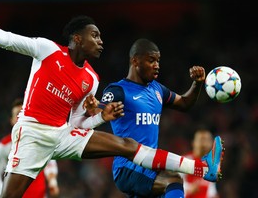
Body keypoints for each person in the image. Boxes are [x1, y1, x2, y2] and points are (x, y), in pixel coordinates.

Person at [0, 16, 223, 198]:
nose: (101, 41)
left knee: (127, 146)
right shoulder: (47, 50)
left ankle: (201, 168)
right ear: (77, 39)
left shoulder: (91, 79)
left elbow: (79, 124)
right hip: (33, 133)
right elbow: (4, 39)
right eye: (95, 35)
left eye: (100, 36)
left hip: (61, 134)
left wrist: (102, 115)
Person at [83, 39, 213, 197]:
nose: (157, 65)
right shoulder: (118, 90)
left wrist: (197, 83)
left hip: (150, 164)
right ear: (135, 60)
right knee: (173, 180)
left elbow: (185, 103)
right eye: (151, 60)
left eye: (158, 61)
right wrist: (92, 109)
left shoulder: (157, 89)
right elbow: (99, 111)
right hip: (128, 166)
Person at [0, 98, 60, 198]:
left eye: (23, 113)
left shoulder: (41, 140)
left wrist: (52, 182)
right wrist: (5, 194)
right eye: (17, 115)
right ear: (11, 120)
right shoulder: (4, 146)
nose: (20, 117)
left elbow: (50, 161)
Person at [183, 129, 220, 198]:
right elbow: (174, 184)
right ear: (193, 142)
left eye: (207, 140)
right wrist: (189, 189)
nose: (204, 144)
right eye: (201, 140)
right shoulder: (185, 161)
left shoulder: (213, 164)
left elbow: (211, 189)